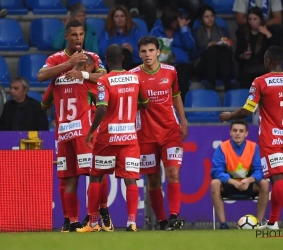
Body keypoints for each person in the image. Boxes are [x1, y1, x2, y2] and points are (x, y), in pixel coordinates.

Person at [220, 45, 283, 230]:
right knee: (276, 179)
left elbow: (248, 109)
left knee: (277, 180)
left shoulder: (261, 82)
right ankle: (272, 222)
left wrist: (230, 116)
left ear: (267, 61)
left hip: (270, 139)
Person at [38, 19, 107, 232]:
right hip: (64, 131)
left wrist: (84, 74)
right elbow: (40, 76)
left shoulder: (91, 58)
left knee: (93, 173)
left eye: (81, 34)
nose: (78, 38)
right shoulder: (55, 59)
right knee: (69, 178)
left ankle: (96, 216)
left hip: (84, 129)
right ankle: (72, 221)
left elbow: (104, 76)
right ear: (66, 36)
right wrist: (68, 64)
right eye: (74, 35)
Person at [77, 44, 149, 233]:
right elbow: (145, 103)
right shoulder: (136, 78)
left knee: (96, 176)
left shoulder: (104, 80)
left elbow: (101, 108)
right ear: (123, 58)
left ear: (106, 60)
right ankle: (131, 222)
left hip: (108, 138)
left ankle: (93, 222)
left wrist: (92, 130)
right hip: (130, 137)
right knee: (131, 180)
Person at [130, 36, 188, 230]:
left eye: (151, 50)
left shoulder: (170, 71)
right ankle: (162, 221)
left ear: (158, 52)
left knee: (173, 173)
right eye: (144, 51)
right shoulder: (133, 76)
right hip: (144, 134)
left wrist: (183, 120)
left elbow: (177, 95)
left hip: (170, 131)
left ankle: (173, 216)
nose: (147, 55)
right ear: (139, 54)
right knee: (153, 179)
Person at [211, 120, 269, 229]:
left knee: (265, 183)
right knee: (214, 183)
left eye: (241, 131)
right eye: (235, 130)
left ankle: (259, 223)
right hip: (229, 185)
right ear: (230, 132)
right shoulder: (222, 147)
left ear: (246, 133)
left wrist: (248, 180)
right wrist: (233, 182)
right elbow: (216, 171)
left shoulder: (254, 147)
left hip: (248, 184)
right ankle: (223, 224)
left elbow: (260, 170)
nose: (238, 133)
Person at [150, 4, 196, 103]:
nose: (178, 22)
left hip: (181, 65)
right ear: (168, 19)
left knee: (182, 79)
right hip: (160, 65)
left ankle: (181, 109)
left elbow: (191, 47)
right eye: (175, 19)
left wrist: (184, 29)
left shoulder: (183, 30)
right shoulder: (155, 31)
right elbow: (149, 50)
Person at [234, 6, 282, 89]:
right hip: (247, 69)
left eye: (255, 19)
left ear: (261, 19)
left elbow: (277, 50)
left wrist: (267, 33)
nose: (252, 22)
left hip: (264, 69)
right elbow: (236, 55)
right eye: (250, 19)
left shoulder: (271, 31)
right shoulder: (242, 33)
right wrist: (243, 56)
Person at [193, 5, 233, 91]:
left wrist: (225, 44)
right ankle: (212, 83)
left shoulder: (222, 30)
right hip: (203, 66)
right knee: (211, 50)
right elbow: (193, 54)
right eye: (206, 16)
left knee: (223, 51)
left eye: (211, 16)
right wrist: (206, 48)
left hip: (221, 65)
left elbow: (230, 47)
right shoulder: (196, 33)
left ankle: (226, 84)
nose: (210, 19)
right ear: (201, 19)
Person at [98, 5, 145, 71]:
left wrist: (132, 50)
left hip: (134, 65)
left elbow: (144, 53)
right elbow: (102, 52)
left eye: (122, 16)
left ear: (126, 17)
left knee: (126, 53)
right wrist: (119, 49)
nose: (120, 19)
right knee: (124, 52)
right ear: (112, 18)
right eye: (116, 16)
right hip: (113, 67)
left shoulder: (135, 31)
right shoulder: (106, 33)